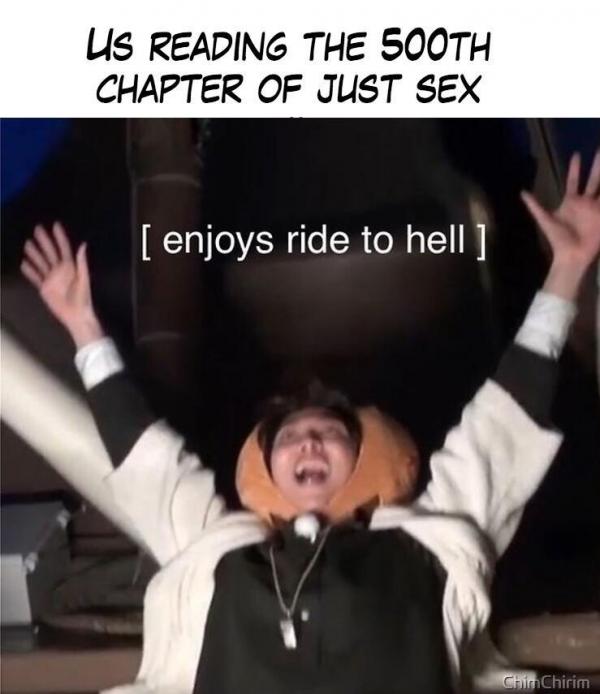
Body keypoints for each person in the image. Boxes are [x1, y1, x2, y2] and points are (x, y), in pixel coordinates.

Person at [21, 151, 600, 694]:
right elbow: (146, 459)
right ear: (263, 470)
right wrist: (83, 328)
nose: (308, 443)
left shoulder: (426, 546)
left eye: (330, 433)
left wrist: (567, 272)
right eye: (290, 438)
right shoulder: (217, 552)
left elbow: (502, 427)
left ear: (371, 460)